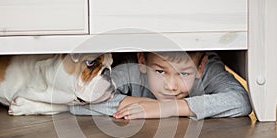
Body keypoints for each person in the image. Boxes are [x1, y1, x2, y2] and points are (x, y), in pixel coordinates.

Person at [70, 51, 252, 120]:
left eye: (183, 73)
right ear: (142, 61)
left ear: (200, 67)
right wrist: (134, 102)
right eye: (160, 72)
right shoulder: (130, 70)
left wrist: (169, 107)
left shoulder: (206, 69)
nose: (171, 86)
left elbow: (240, 101)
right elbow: (79, 103)